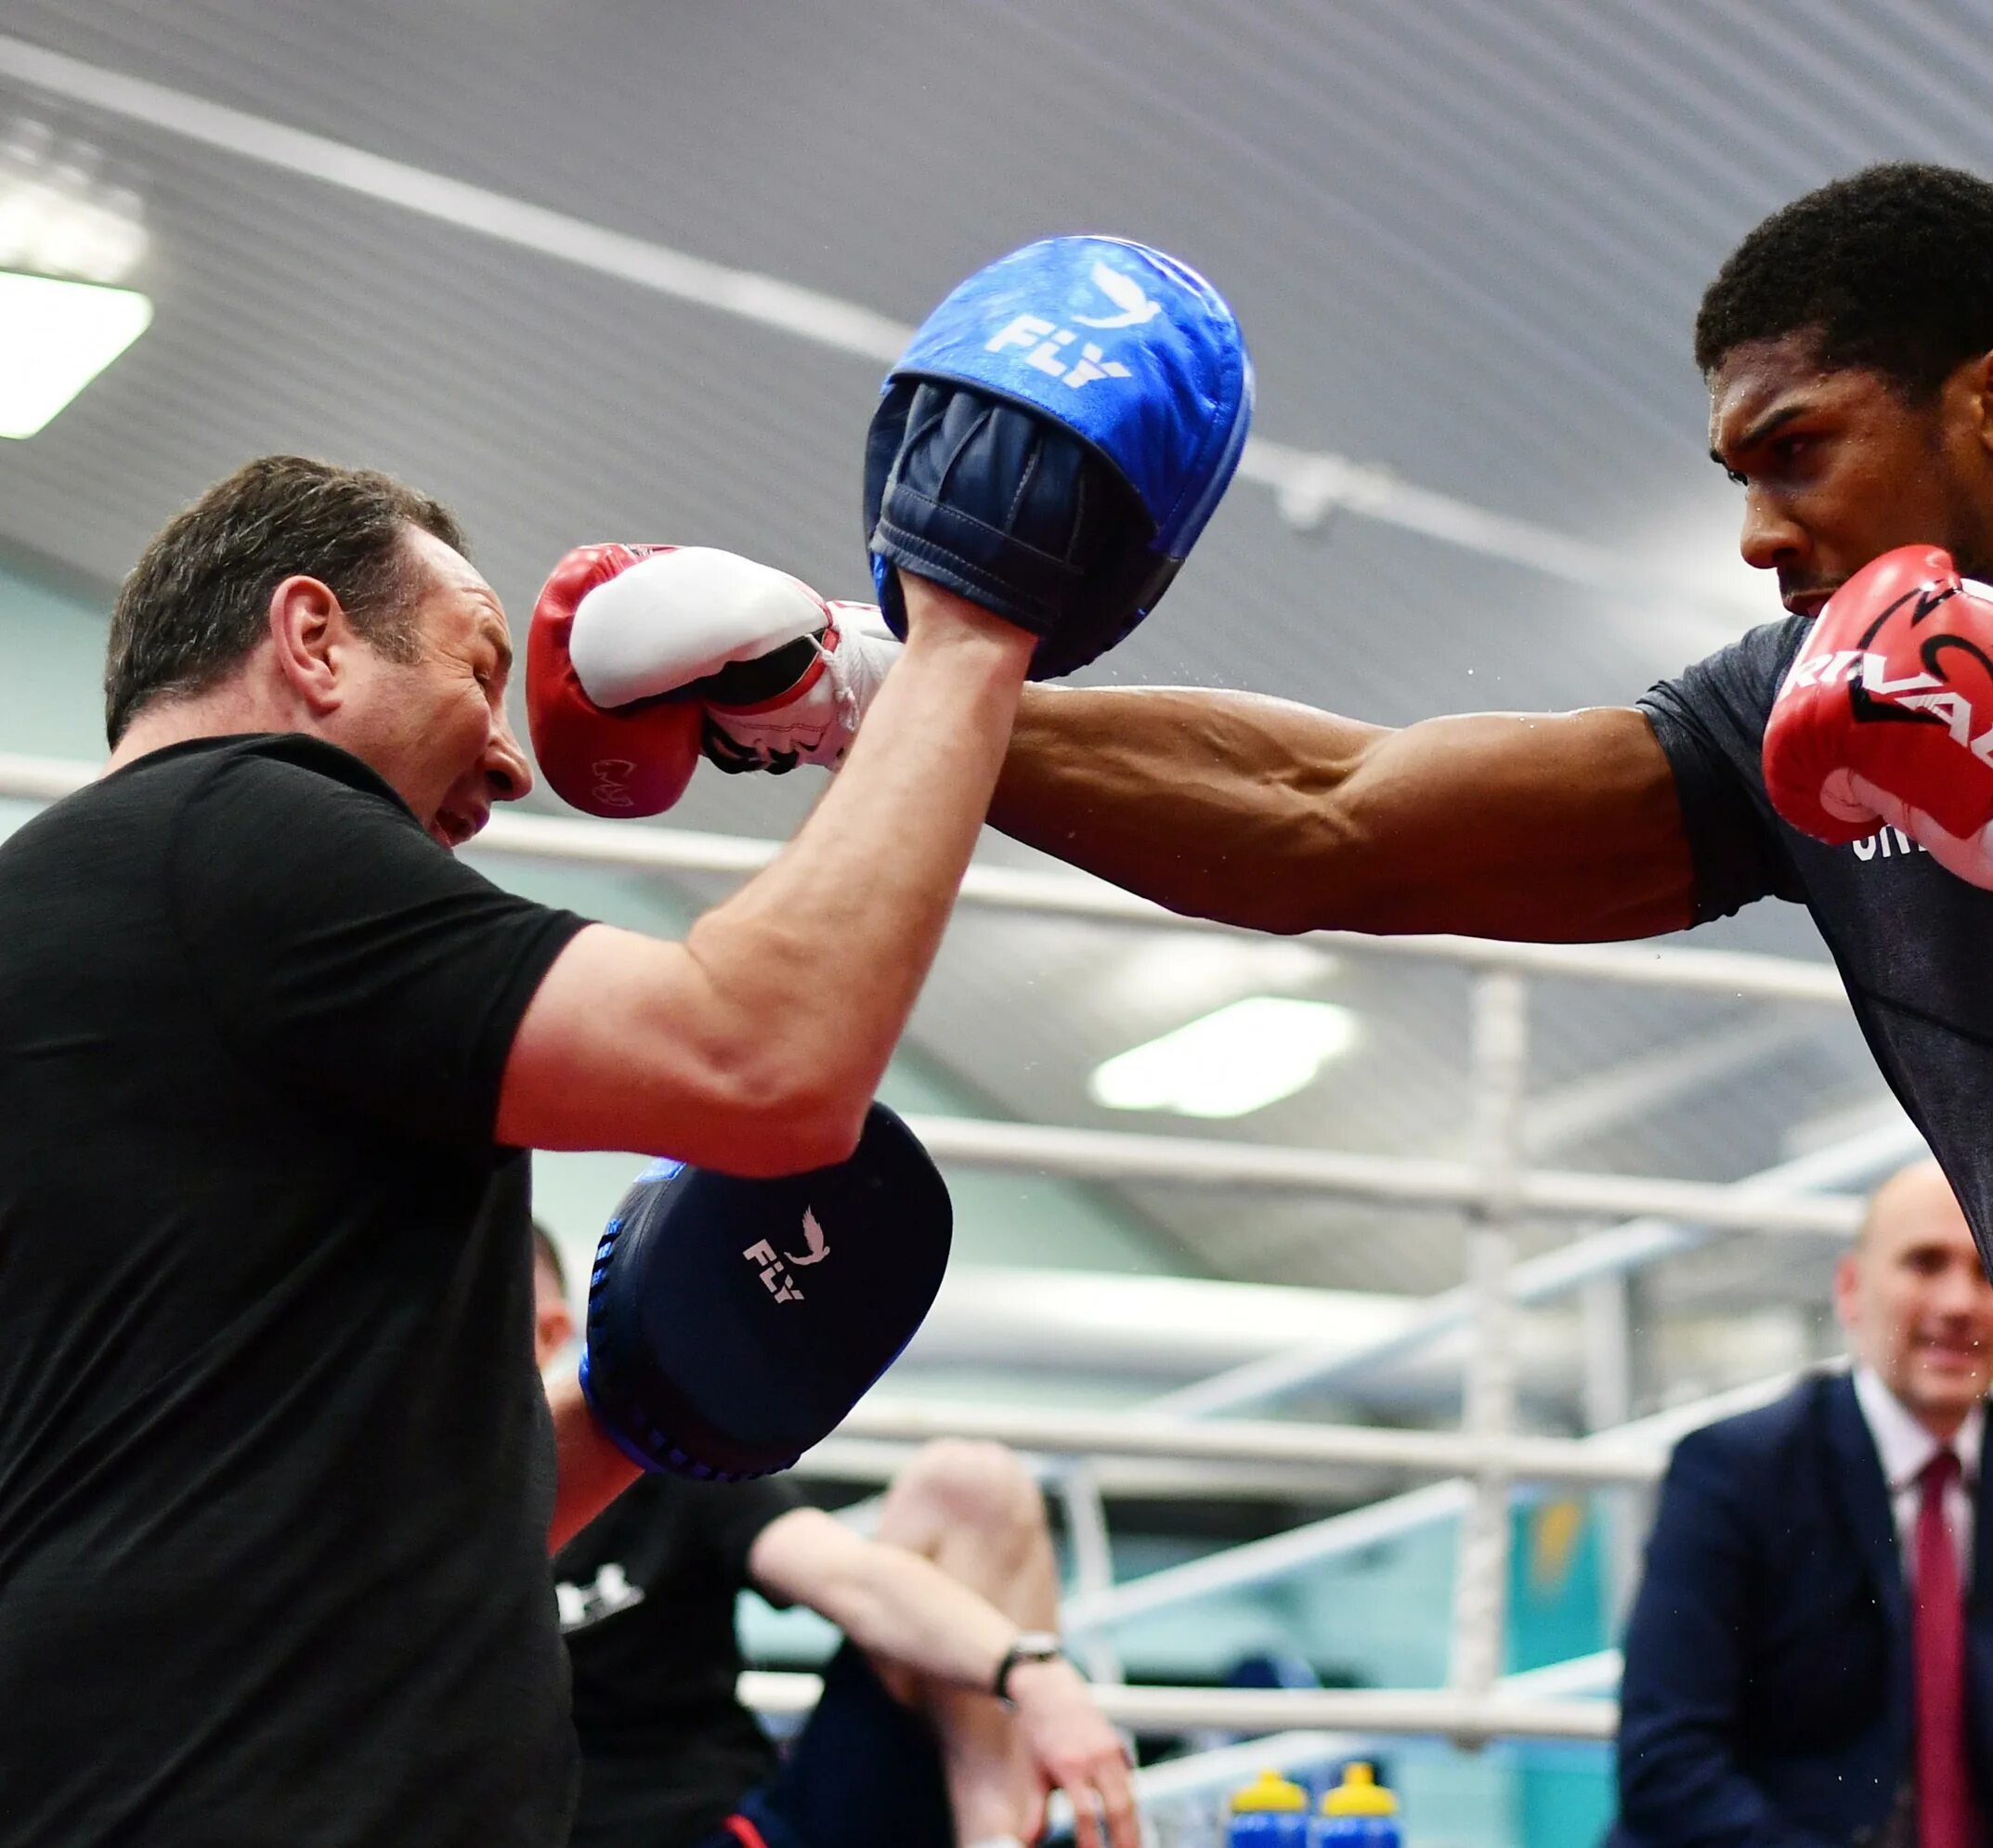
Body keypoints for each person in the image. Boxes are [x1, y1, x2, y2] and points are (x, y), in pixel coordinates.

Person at [601, 164, 1993, 1841]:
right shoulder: (1794, 728)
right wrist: (873, 703)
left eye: (1795, 453)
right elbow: (1344, 810)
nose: (1752, 533)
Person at [0, 232, 1222, 1847]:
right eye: (477, 668)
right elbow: (767, 1062)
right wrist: (966, 622)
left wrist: (647, 1402)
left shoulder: (109, 933)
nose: (510, 761)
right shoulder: (239, 830)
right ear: (312, 640)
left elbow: (304, 1520)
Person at [530, 1230, 1133, 1848]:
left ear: (548, 1334)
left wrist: (1032, 1671)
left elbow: (848, 1577)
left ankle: (996, 1837)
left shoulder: (662, 1455)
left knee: (969, 1484)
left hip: (734, 1831)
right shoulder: (431, 1518)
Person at [1614, 1160, 1993, 1848]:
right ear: (1851, 1290)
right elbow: (1665, 1766)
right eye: (1925, 1263)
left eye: (1987, 1270)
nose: (1959, 1301)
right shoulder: (1736, 1475)